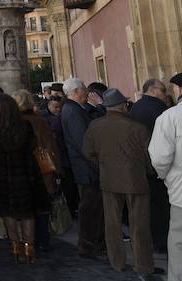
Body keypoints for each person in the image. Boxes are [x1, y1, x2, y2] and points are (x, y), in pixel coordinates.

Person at [83, 88, 159, 279]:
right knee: (139, 225)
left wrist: (103, 166)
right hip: (136, 180)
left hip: (108, 179)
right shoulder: (138, 128)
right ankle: (143, 265)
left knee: (112, 224)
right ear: (124, 106)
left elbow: (88, 152)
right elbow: (149, 157)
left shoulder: (95, 126)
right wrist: (148, 172)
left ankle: (117, 262)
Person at [0, 93, 50, 265]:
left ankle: (15, 247)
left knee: (8, 213)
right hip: (24, 174)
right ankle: (29, 248)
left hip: (2, 175)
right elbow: (33, 145)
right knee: (28, 213)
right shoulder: (25, 125)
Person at [61, 77, 105, 259]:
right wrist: (98, 166)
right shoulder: (73, 111)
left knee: (92, 209)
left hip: (85, 169)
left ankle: (93, 244)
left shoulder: (73, 109)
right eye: (85, 90)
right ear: (78, 91)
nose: (87, 93)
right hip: (87, 171)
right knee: (90, 211)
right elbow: (84, 145)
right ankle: (88, 246)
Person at [14, 89, 61, 253]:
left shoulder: (13, 122)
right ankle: (42, 240)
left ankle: (27, 242)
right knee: (42, 208)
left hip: (20, 170)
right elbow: (50, 146)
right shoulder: (39, 121)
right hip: (41, 169)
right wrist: (57, 171)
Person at [149, 72, 182, 281]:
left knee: (179, 242)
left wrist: (167, 178)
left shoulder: (169, 117)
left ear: (178, 90)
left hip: (181, 192)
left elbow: (160, 158)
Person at [131, 78, 171, 253]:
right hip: (159, 164)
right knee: (163, 206)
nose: (165, 95)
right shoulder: (160, 109)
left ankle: (154, 239)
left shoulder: (135, 108)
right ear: (154, 90)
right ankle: (163, 241)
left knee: (149, 206)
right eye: (163, 91)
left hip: (140, 164)